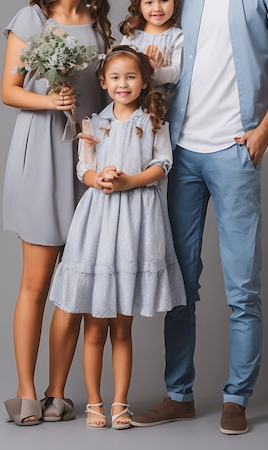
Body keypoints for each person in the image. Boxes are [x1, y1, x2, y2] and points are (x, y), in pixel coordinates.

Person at [130, 0, 268, 434]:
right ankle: (179, 394)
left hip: (236, 154)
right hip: (181, 155)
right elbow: (154, 62)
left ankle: (236, 398)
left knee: (242, 287)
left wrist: (263, 134)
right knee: (180, 280)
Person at [1, 0, 112, 426]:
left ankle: (57, 391)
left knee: (77, 282)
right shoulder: (31, 19)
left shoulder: (101, 27)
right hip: (41, 153)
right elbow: (8, 90)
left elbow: (108, 98)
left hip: (86, 158)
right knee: (37, 282)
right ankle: (25, 391)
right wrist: (51, 100)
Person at [49, 46, 187, 429]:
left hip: (136, 223)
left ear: (144, 81)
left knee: (122, 326)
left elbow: (162, 164)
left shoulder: (155, 120)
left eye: (130, 76)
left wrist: (129, 181)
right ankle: (95, 402)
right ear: (103, 82)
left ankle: (120, 403)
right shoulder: (93, 124)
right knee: (95, 324)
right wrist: (100, 178)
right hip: (99, 222)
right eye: (115, 77)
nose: (122, 84)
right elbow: (84, 169)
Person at [119, 0, 183, 103]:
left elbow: (177, 73)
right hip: (130, 103)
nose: (157, 8)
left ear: (174, 1)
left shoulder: (177, 37)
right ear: (139, 4)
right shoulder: (132, 36)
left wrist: (153, 71)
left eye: (164, 0)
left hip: (161, 106)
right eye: (149, 2)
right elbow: (120, 65)